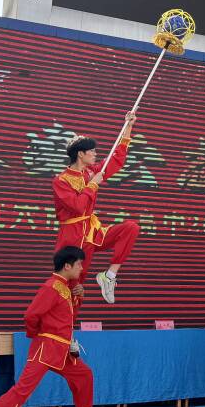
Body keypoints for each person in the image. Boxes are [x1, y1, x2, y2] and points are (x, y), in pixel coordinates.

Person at [0, 247, 105, 407]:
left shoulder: (64, 287)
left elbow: (66, 316)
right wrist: (37, 335)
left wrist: (79, 297)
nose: (82, 269)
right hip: (46, 348)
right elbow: (31, 315)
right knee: (22, 390)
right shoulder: (51, 287)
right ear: (67, 266)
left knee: (84, 375)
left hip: (61, 349)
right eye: (78, 264)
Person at [53, 115, 140, 304]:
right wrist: (93, 185)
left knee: (130, 228)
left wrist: (128, 127)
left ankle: (109, 276)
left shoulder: (92, 172)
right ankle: (65, 322)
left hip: (92, 232)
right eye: (91, 151)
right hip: (73, 236)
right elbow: (77, 206)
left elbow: (116, 159)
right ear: (80, 154)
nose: (95, 154)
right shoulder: (61, 180)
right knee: (73, 288)